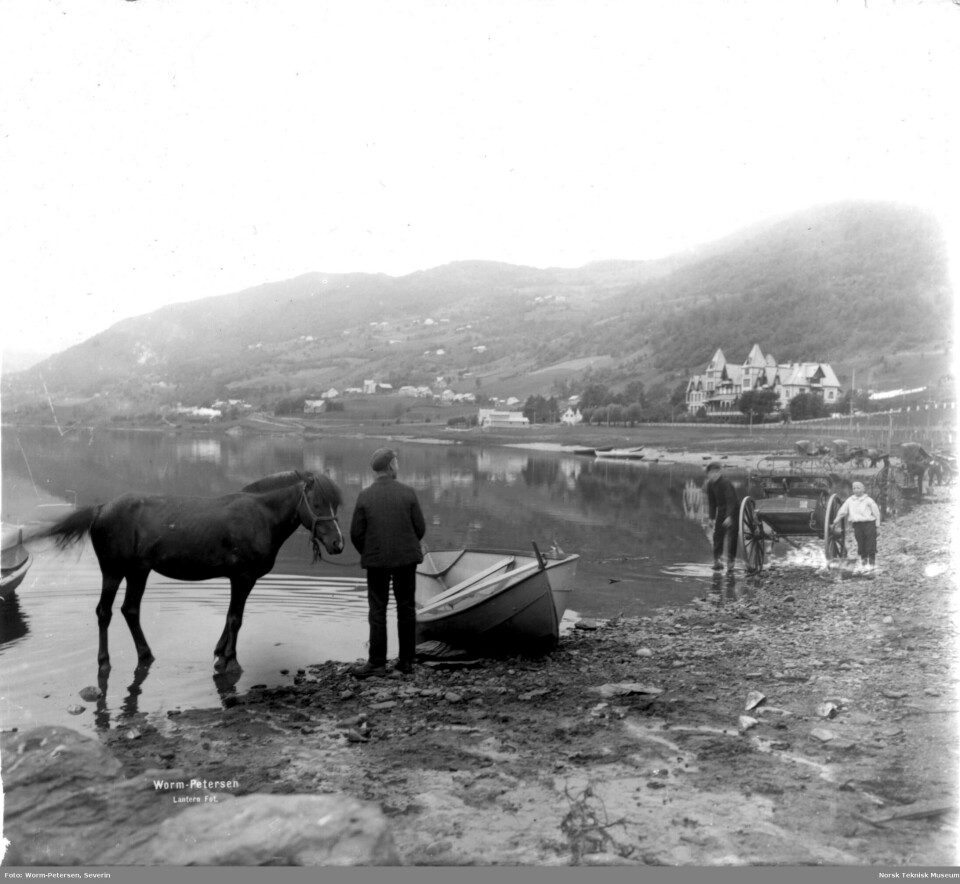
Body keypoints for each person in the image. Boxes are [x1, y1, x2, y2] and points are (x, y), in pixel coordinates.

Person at [349, 447, 426, 678]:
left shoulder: (364, 496)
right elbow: (419, 529)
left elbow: (356, 534)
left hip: (376, 563)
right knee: (406, 609)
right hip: (406, 560)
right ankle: (406, 663)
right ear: (392, 466)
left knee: (377, 611)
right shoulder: (409, 493)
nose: (398, 466)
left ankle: (377, 664)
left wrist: (371, 551)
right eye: (397, 462)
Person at [830, 481, 881, 574]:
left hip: (869, 524)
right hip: (857, 525)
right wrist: (835, 521)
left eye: (858, 488)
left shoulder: (868, 500)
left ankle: (872, 569)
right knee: (861, 546)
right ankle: (865, 567)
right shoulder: (850, 500)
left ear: (863, 489)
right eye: (854, 488)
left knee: (870, 546)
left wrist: (877, 527)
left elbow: (876, 514)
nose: (856, 490)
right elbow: (842, 511)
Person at [704, 462, 739, 573]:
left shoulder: (725, 483)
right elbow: (712, 503)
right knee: (717, 535)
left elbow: (731, 501)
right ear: (708, 474)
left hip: (733, 510)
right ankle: (717, 560)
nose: (714, 475)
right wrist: (711, 518)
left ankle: (731, 560)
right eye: (711, 473)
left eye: (716, 472)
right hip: (721, 510)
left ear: (720, 472)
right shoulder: (710, 485)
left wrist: (729, 516)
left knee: (732, 535)